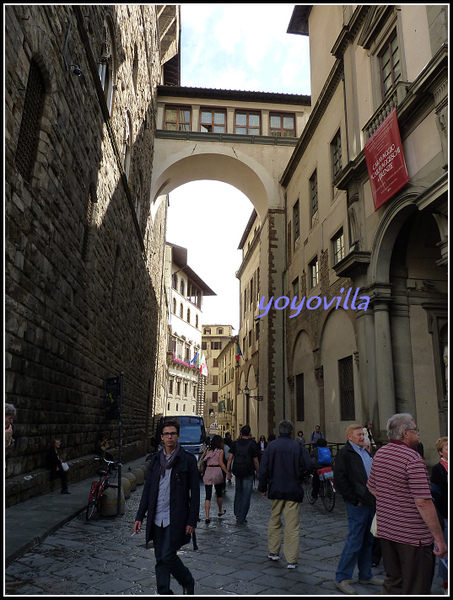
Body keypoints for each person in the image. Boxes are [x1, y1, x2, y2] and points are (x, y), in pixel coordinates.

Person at [367, 413, 447, 595]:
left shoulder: (380, 453)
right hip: (414, 539)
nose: (418, 433)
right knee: (417, 586)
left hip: (387, 533)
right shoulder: (412, 459)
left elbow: (372, 487)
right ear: (405, 433)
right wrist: (440, 539)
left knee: (393, 582)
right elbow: (423, 502)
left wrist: (393, 504)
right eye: (415, 430)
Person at [134, 418, 199, 595]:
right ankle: (164, 592)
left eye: (173, 433)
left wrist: (192, 520)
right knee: (159, 558)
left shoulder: (187, 460)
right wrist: (140, 516)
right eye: (166, 434)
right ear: (162, 437)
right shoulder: (155, 460)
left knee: (168, 555)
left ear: (178, 436)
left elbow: (195, 493)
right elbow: (147, 490)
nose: (169, 437)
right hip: (157, 516)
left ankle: (187, 580)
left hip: (175, 516)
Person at [333, 424, 383, 595]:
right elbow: (340, 479)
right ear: (349, 437)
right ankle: (341, 577)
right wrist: (354, 500)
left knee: (368, 541)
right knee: (354, 541)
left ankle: (365, 574)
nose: (362, 437)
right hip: (359, 504)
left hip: (370, 502)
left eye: (363, 434)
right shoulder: (345, 454)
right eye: (359, 435)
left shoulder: (364, 451)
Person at [258, 419, 314, 569]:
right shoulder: (298, 446)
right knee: (292, 525)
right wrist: (301, 475)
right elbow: (310, 465)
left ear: (279, 431)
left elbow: (263, 469)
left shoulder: (272, 447)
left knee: (275, 520)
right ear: (291, 432)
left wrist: (263, 487)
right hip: (293, 489)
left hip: (276, 488)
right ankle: (291, 559)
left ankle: (274, 552)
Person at [226, 425, 259, 524]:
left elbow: (230, 458)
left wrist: (228, 472)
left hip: (237, 470)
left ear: (241, 433)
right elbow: (256, 461)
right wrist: (258, 471)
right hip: (248, 471)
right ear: (249, 433)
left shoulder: (235, 443)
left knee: (238, 492)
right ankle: (243, 516)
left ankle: (237, 513)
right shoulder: (252, 444)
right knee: (246, 494)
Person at [199, 434, 232, 523]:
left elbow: (202, 459)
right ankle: (220, 510)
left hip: (208, 471)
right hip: (217, 470)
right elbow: (221, 463)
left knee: (207, 496)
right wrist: (227, 472)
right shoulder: (220, 451)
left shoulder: (207, 450)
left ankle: (207, 516)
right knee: (219, 493)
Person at [430, 436, 448, 595]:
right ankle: (446, 583)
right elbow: (436, 493)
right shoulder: (438, 469)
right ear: (441, 452)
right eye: (448, 449)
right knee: (446, 551)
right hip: (446, 514)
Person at [308, 438, 332, 504]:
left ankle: (314, 496)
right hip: (328, 467)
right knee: (328, 478)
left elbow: (309, 457)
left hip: (319, 468)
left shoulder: (316, 450)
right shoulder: (328, 449)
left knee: (316, 482)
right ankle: (329, 490)